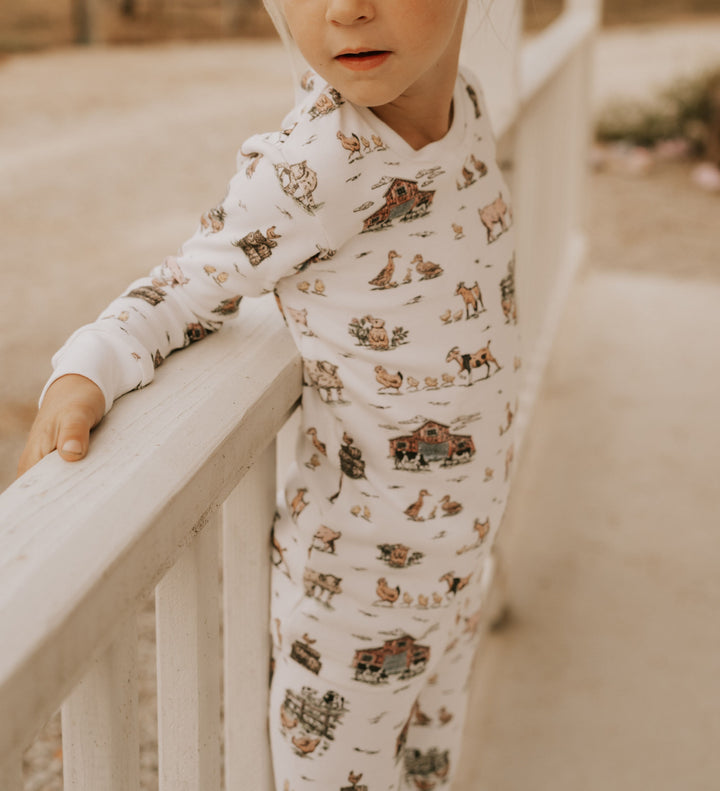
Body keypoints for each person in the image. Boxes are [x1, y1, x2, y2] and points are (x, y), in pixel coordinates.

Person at [18, 0, 519, 788]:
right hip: (356, 605)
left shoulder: (471, 107)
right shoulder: (319, 163)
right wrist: (90, 366)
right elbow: (183, 287)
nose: (346, 8)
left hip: (457, 571)